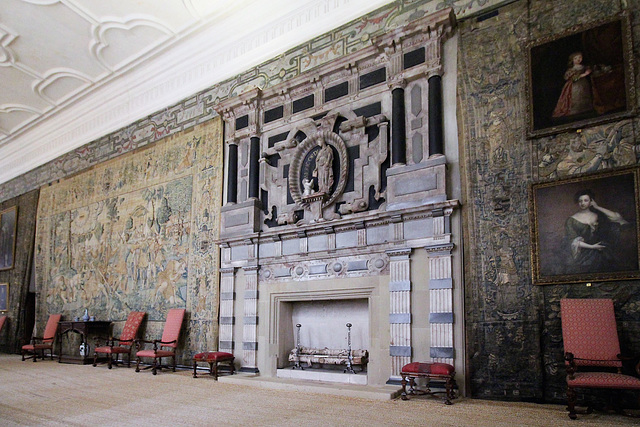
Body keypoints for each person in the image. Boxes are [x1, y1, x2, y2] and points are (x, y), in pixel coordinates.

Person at [563, 189, 628, 274]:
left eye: (586, 200)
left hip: (603, 250)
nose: (582, 203)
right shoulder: (571, 220)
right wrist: (593, 247)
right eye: (580, 201)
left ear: (591, 201)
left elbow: (617, 218)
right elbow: (573, 241)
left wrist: (597, 207)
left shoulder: (598, 215)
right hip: (584, 252)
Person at [552, 52, 594, 118]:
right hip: (574, 85)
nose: (578, 59)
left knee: (584, 94)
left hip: (584, 83)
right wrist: (585, 74)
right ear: (572, 60)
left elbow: (588, 69)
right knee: (577, 95)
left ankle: (585, 108)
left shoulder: (583, 67)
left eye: (580, 57)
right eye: (576, 58)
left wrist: (589, 70)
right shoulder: (571, 70)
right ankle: (576, 110)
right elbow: (574, 79)